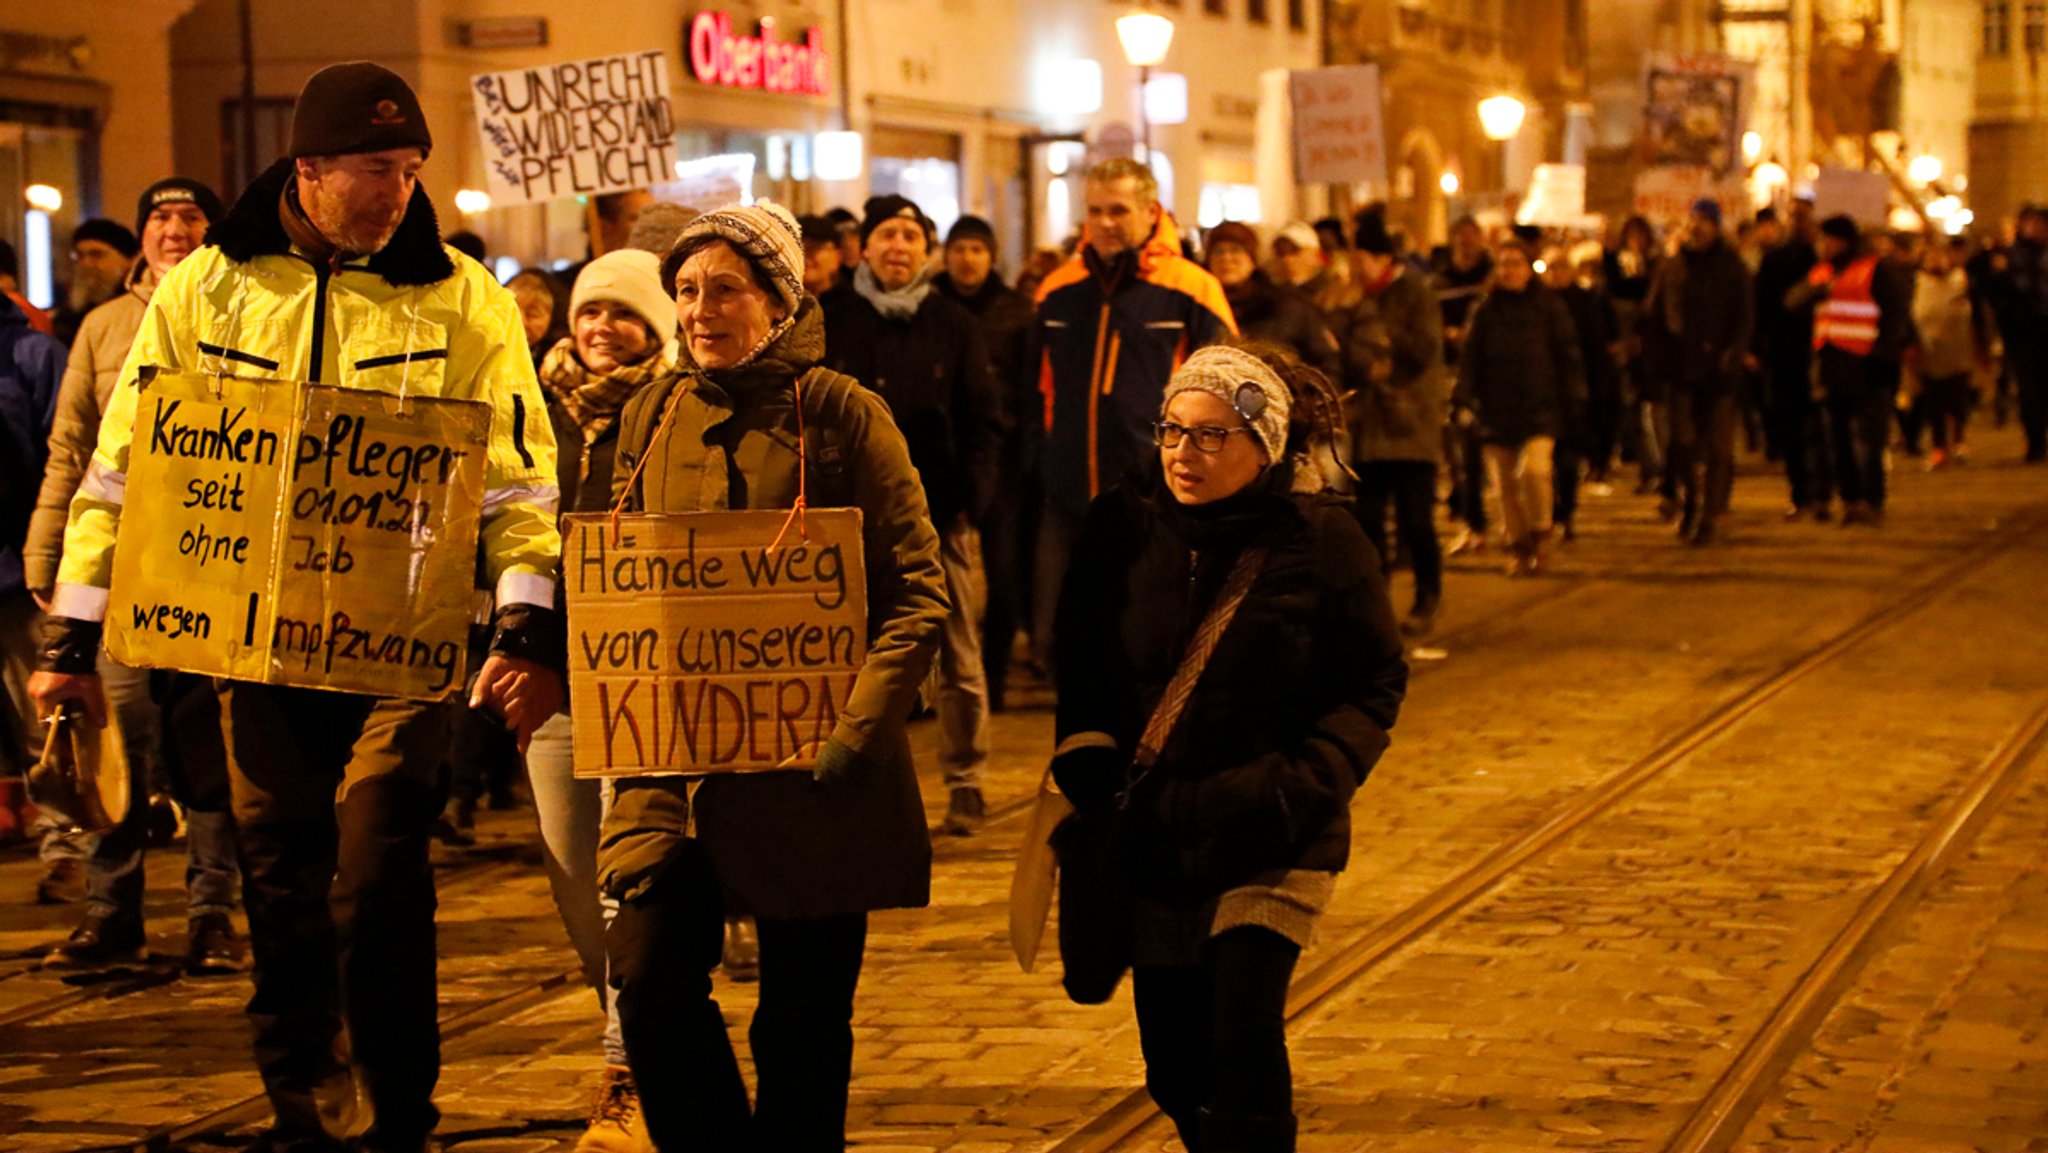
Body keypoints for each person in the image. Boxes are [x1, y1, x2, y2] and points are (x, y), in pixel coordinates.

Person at [28, 62, 565, 1152]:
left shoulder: (463, 297)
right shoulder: (208, 287)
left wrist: (521, 615)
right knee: (279, 873)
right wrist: (72, 632)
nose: (398, 194)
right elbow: (124, 470)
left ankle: (395, 1106)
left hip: (399, 645)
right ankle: (302, 1104)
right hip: (254, 640)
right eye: (375, 170)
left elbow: (516, 476)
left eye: (412, 171)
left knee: (375, 860)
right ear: (308, 170)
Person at [599, 200, 947, 1152]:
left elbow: (918, 589)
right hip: (674, 765)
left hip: (813, 769)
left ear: (779, 299)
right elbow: (612, 574)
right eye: (685, 290)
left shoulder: (843, 414)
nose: (700, 309)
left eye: (725, 289)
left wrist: (853, 734)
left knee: (802, 1018)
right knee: (650, 977)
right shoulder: (650, 411)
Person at [1051, 341, 1406, 1153]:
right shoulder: (1122, 526)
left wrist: (1306, 780)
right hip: (1157, 830)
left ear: (1264, 446)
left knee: (1241, 1030)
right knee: (1175, 1065)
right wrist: (1088, 755)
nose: (1184, 452)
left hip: (1272, 828)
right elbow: (1082, 656)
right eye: (1173, 430)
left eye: (1211, 435)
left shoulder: (1320, 539)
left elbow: (1376, 677)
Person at [24, 176, 245, 972]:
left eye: (191, 216)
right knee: (112, 738)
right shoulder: (104, 327)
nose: (174, 228)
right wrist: (46, 548)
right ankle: (110, 908)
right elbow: (71, 446)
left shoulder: (246, 310)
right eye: (160, 216)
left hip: (211, 564)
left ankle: (211, 911)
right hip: (121, 565)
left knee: (204, 746)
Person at [522, 248, 676, 1153]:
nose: (602, 328)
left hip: (643, 674)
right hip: (557, 672)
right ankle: (636, 1031)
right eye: (591, 312)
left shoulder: (679, 409)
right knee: (575, 880)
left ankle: (626, 1069)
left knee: (624, 882)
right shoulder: (536, 412)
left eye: (624, 314)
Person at [824, 196, 1004, 834]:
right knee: (855, 655)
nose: (898, 247)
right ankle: (857, 778)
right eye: (886, 235)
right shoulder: (833, 320)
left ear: (926, 251)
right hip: (851, 520)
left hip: (941, 516)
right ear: (864, 248)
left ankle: (966, 778)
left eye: (910, 236)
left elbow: (984, 420)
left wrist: (969, 501)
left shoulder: (954, 324)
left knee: (958, 655)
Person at [1030, 158, 1235, 671]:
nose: (1104, 222)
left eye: (1118, 210)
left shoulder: (1193, 289)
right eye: (1094, 210)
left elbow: (1228, 390)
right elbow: (1039, 390)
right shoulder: (1057, 291)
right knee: (1062, 639)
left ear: (1150, 210)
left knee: (1148, 641)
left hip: (1155, 494)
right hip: (1070, 494)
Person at [933, 214, 1038, 711]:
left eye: (977, 249)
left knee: (1003, 574)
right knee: (934, 576)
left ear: (992, 256)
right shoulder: (931, 306)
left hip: (1003, 458)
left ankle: (991, 679)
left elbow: (1033, 388)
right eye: (959, 249)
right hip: (938, 456)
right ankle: (936, 682)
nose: (967, 258)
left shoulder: (1017, 313)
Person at [1340, 208, 1446, 637]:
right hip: (1368, 427)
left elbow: (1423, 349)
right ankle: (1376, 601)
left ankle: (1428, 592)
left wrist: (1381, 335)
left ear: (1384, 259)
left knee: (1416, 520)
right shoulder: (1352, 298)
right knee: (1367, 522)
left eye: (1363, 256)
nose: (1356, 266)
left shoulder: (1415, 294)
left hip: (1409, 423)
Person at [1453, 238, 1585, 576]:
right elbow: (1471, 360)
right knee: (1504, 487)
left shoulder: (1549, 307)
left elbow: (1567, 355)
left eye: (1516, 263)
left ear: (1529, 269)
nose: (1509, 270)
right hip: (1497, 410)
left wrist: (1575, 399)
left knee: (1534, 472)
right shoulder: (1485, 310)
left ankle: (1541, 533)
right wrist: (1464, 397)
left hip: (1539, 408)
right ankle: (1518, 547)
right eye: (1504, 264)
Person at [1787, 215, 1917, 524]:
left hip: (1869, 366)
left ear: (1841, 241)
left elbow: (1895, 313)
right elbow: (1793, 302)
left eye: (1826, 239)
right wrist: (1820, 289)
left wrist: (1884, 354)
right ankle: (1851, 499)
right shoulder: (1823, 272)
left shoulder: (1875, 269)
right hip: (1834, 367)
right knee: (1839, 437)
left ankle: (1872, 500)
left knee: (1870, 440)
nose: (1821, 245)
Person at [0, 288, 65, 897]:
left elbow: (61, 456)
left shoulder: (33, 354)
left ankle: (64, 847)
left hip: (15, 573)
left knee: (41, 724)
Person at [1643, 199, 1753, 545]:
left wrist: (1734, 351)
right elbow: (1654, 314)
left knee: (1719, 448)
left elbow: (1745, 316)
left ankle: (1711, 514)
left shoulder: (1733, 267)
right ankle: (1690, 502)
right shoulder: (1672, 266)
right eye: (1694, 219)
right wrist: (1655, 358)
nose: (1698, 226)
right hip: (1681, 369)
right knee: (1684, 444)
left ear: (1717, 226)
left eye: (1706, 220)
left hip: (1720, 371)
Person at [1754, 197, 1830, 519]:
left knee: (1823, 429)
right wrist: (1759, 348)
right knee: (1794, 429)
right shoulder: (1777, 261)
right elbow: (1763, 306)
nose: (1800, 223)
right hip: (1789, 355)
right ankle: (1802, 494)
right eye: (1796, 217)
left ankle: (1823, 494)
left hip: (1828, 354)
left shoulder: (1829, 262)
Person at [1543, 244, 1618, 540]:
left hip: (1574, 388)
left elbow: (1597, 346)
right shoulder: (1538, 303)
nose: (1555, 274)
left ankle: (1566, 511)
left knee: (1566, 457)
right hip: (1544, 390)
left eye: (1560, 267)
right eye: (1549, 268)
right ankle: (1549, 512)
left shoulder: (1587, 302)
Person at [1205, 221, 1341, 382]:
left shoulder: (1286, 307)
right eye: (1218, 251)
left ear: (1252, 258)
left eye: (1236, 250)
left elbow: (1326, 367)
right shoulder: (1198, 308)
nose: (1227, 258)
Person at [1431, 216, 1495, 554]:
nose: (1468, 242)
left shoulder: (1492, 278)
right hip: (1450, 369)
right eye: (1462, 236)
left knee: (1480, 450)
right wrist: (1447, 333)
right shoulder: (1440, 280)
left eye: (1474, 236)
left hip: (1486, 372)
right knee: (1457, 449)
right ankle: (1470, 517)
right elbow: (1429, 320)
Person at [1605, 216, 1664, 496]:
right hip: (1628, 352)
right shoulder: (1614, 267)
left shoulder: (1658, 267)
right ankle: (1649, 467)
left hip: (1652, 352)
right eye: (1630, 235)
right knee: (1632, 412)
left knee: (1651, 413)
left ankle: (1660, 469)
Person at [1909, 238, 1978, 470]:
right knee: (1933, 402)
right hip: (1928, 353)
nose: (1936, 261)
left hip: (1959, 351)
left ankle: (1959, 440)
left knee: (1957, 399)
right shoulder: (1916, 283)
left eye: (1940, 256)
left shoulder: (1962, 281)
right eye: (1930, 257)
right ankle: (1939, 447)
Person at [1991, 205, 2048, 463]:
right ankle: (2035, 441)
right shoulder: (2011, 256)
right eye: (2030, 223)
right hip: (2023, 332)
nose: (2035, 229)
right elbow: (1996, 293)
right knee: (2029, 389)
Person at [53, 219, 138, 349]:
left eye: (97, 255)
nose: (86, 264)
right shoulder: (66, 320)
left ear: (128, 260)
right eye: (79, 256)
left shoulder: (141, 307)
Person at [509, 267, 572, 371]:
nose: (521, 322)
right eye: (512, 312)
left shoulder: (562, 364)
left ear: (552, 318)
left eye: (532, 314)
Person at [799, 213, 852, 308]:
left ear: (838, 256)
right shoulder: (780, 307)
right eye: (798, 247)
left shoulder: (853, 309)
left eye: (815, 247)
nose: (804, 254)